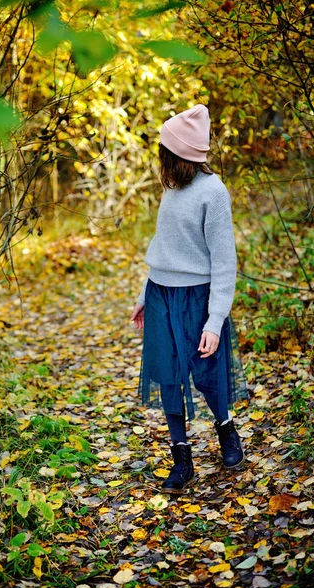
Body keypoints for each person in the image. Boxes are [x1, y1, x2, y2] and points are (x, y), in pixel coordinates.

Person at [130, 104, 249, 494]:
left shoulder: (213, 193)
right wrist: (144, 294)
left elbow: (224, 260)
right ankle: (181, 455)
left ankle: (226, 429)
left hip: (198, 298)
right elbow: (163, 244)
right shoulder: (171, 188)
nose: (160, 159)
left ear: (180, 155)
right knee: (167, 372)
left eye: (165, 151)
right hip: (161, 294)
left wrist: (215, 320)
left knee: (206, 372)